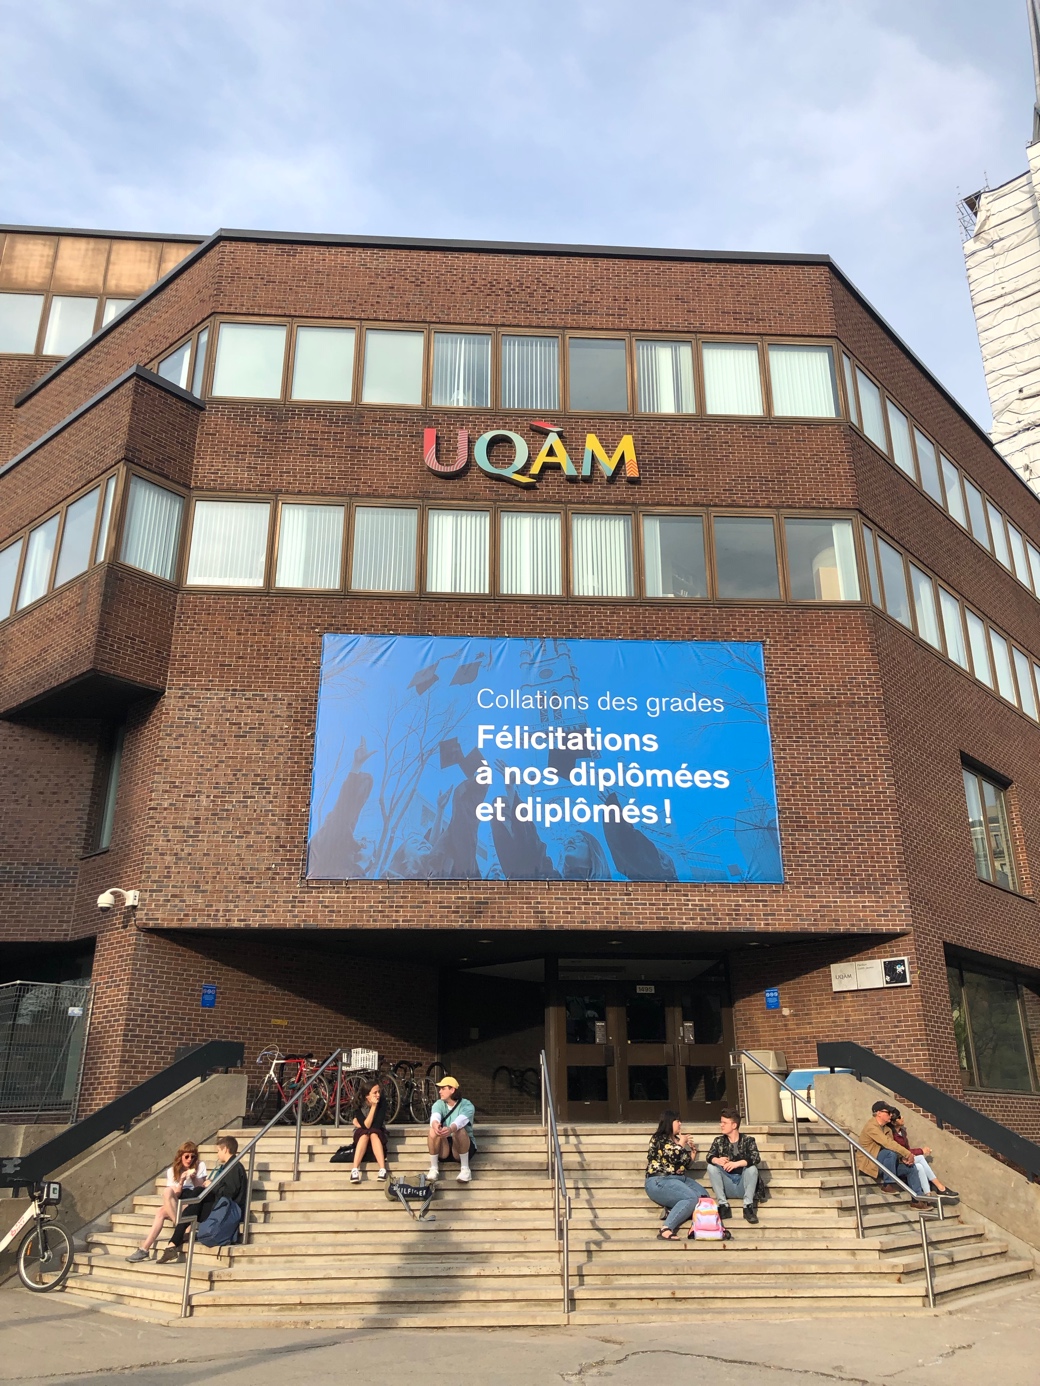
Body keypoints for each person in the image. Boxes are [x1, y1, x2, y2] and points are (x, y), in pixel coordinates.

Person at [161, 1134, 247, 1261]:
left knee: (197, 1196)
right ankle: (173, 1244)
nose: (218, 1154)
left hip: (228, 1210)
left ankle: (173, 1243)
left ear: (225, 1149)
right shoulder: (229, 1166)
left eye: (218, 1151)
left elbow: (229, 1193)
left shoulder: (234, 1167)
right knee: (196, 1197)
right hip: (222, 1206)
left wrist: (212, 1186)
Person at [126, 1140, 208, 1262]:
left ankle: (144, 1249)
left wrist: (194, 1177)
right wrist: (181, 1181)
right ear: (180, 1156)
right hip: (180, 1198)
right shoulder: (172, 1171)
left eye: (192, 1156)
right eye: (186, 1156)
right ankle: (180, 1227)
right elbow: (176, 1194)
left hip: (193, 1200)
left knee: (160, 1212)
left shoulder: (200, 1166)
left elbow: (201, 1189)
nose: (189, 1159)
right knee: (167, 1192)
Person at [855, 1100, 931, 1209]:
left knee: (911, 1168)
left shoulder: (886, 1129)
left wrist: (903, 1158)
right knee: (889, 1153)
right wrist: (907, 1153)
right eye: (888, 1112)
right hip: (870, 1163)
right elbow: (887, 1143)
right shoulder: (871, 1127)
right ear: (878, 1113)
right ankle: (887, 1184)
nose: (890, 1115)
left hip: (885, 1164)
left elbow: (893, 1146)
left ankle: (917, 1199)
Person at [644, 1110, 706, 1240]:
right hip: (660, 1180)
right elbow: (673, 1155)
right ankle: (666, 1228)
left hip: (679, 1179)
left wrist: (692, 1154)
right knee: (690, 1198)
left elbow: (684, 1165)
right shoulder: (658, 1139)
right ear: (669, 1122)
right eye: (677, 1121)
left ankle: (675, 1211)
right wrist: (681, 1144)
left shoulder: (677, 1140)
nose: (680, 1124)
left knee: (704, 1198)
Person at [706, 1108, 762, 1223]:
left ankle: (748, 1207)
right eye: (721, 1122)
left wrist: (736, 1164)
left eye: (724, 1123)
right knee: (711, 1167)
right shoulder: (718, 1141)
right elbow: (709, 1156)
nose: (721, 1125)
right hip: (727, 1184)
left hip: (743, 1183)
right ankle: (723, 1206)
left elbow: (755, 1157)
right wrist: (717, 1160)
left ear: (734, 1125)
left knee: (752, 1169)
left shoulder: (748, 1140)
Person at [890, 1107, 958, 1199]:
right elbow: (901, 1151)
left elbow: (908, 1150)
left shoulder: (903, 1132)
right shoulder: (892, 1135)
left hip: (906, 1159)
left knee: (920, 1167)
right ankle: (940, 1187)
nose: (902, 1117)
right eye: (899, 1117)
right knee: (921, 1157)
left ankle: (927, 1196)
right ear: (894, 1122)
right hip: (898, 1162)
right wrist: (921, 1151)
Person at [427, 1077, 476, 1183]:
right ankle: (434, 1168)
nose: (440, 1091)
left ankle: (465, 1169)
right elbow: (435, 1117)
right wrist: (436, 1125)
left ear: (452, 1090)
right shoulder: (438, 1104)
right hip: (445, 1146)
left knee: (458, 1130)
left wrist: (450, 1129)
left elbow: (461, 1120)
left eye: (443, 1088)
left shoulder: (467, 1104)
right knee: (433, 1130)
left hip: (462, 1146)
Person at [349, 1079, 389, 1182]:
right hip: (362, 1133)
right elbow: (366, 1126)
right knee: (365, 1134)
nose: (378, 1095)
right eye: (375, 1093)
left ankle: (382, 1169)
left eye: (379, 1092)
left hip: (378, 1131)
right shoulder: (358, 1104)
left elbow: (377, 1125)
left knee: (373, 1134)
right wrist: (373, 1108)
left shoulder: (382, 1102)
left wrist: (375, 1106)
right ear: (367, 1095)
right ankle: (354, 1170)